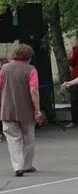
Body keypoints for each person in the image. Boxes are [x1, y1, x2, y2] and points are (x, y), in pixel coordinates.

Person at [0, 44, 44, 176]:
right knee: (28, 138)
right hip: (27, 110)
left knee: (13, 139)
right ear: (29, 57)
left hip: (7, 110)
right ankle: (27, 165)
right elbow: (34, 91)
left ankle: (17, 166)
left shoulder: (4, 69)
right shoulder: (31, 70)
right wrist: (37, 110)